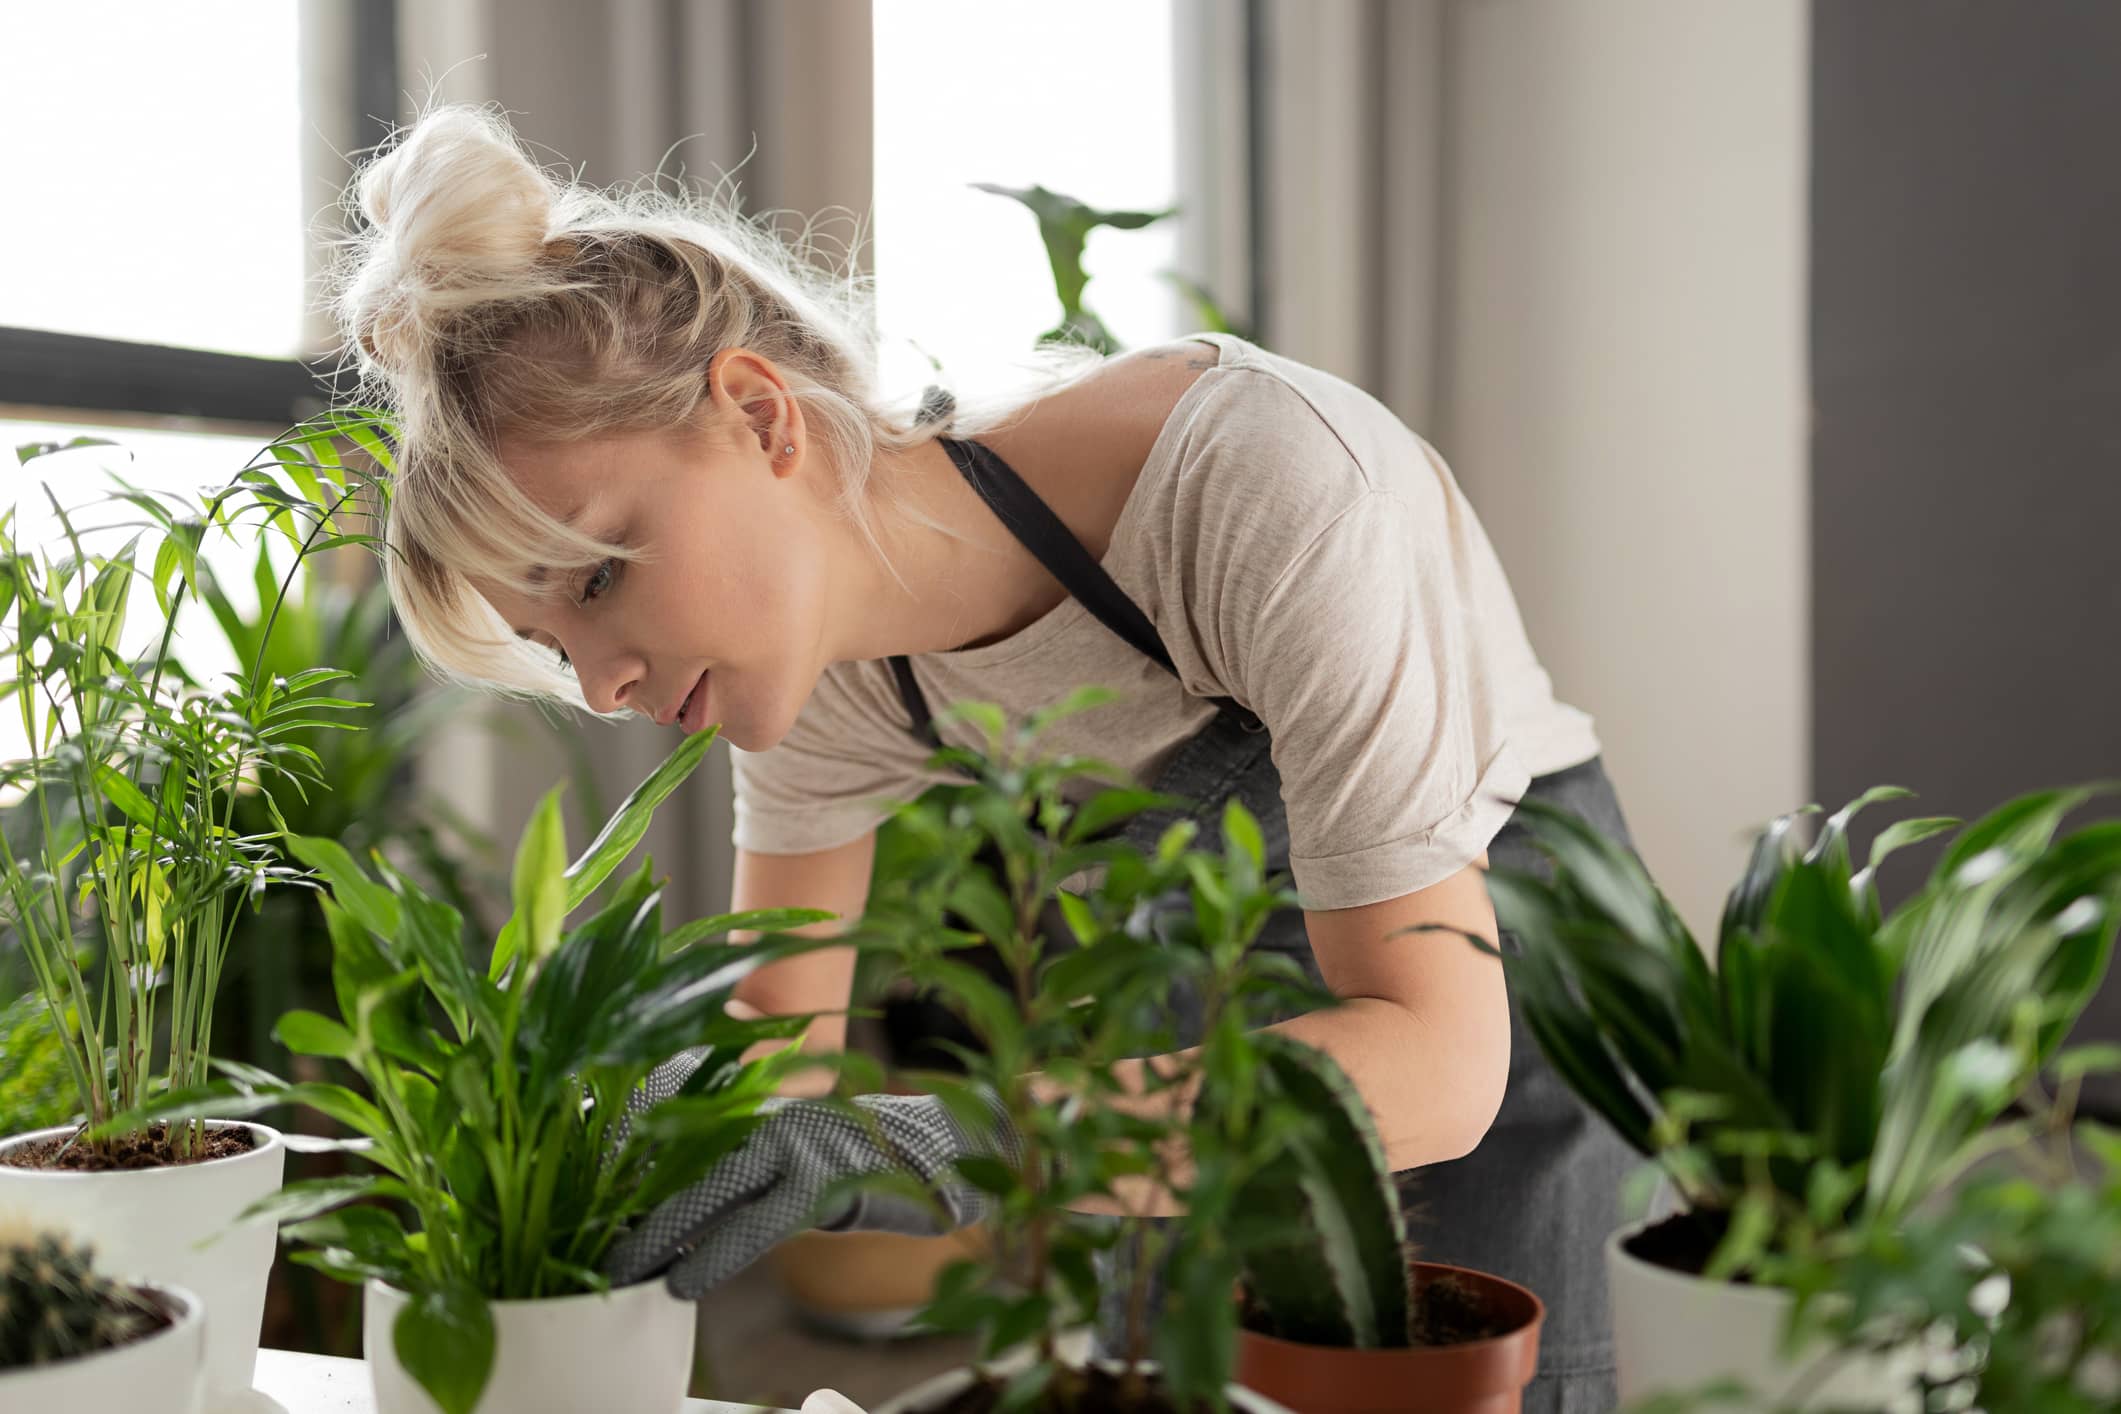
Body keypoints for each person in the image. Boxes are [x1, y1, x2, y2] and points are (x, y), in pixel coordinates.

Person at [334, 101, 1642, 1412]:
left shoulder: (1262, 489)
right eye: (553, 646)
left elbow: (1433, 1056)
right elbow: (777, 1053)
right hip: (1195, 1014)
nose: (608, 685)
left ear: (756, 414)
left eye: (603, 573)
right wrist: (624, 1116)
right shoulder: (818, 676)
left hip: (1481, 990)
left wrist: (963, 1138)